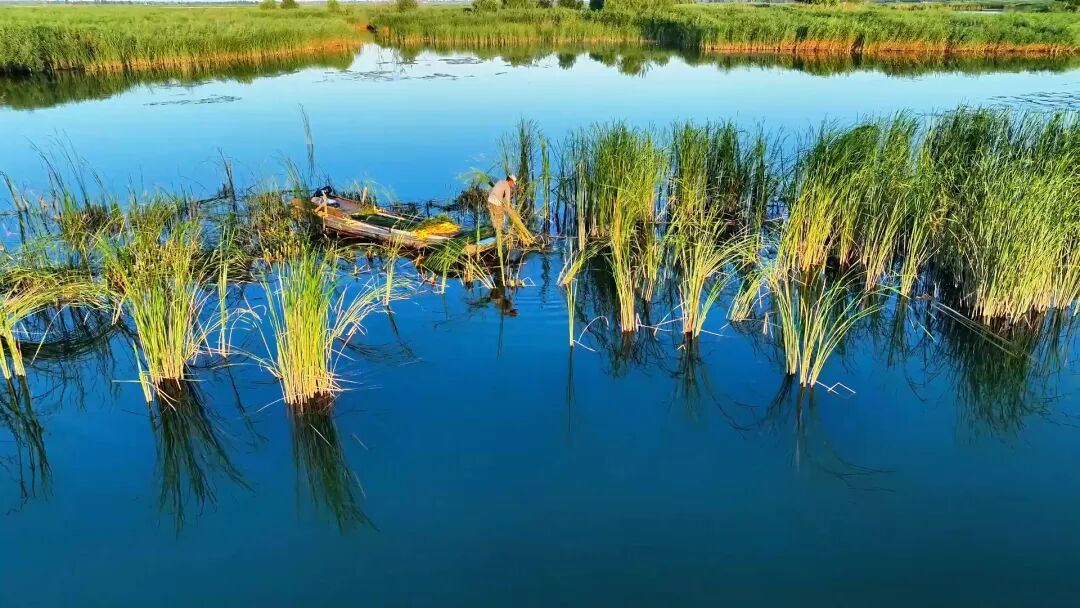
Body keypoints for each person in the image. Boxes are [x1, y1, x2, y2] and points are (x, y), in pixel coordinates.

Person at [486, 175, 534, 245]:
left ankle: (495, 232)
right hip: (496, 203)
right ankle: (499, 237)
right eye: (513, 183)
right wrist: (510, 210)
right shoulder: (507, 187)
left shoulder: (500, 182)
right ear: (510, 181)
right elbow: (507, 201)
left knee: (494, 218)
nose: (513, 185)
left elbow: (496, 191)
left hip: (490, 202)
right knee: (500, 220)